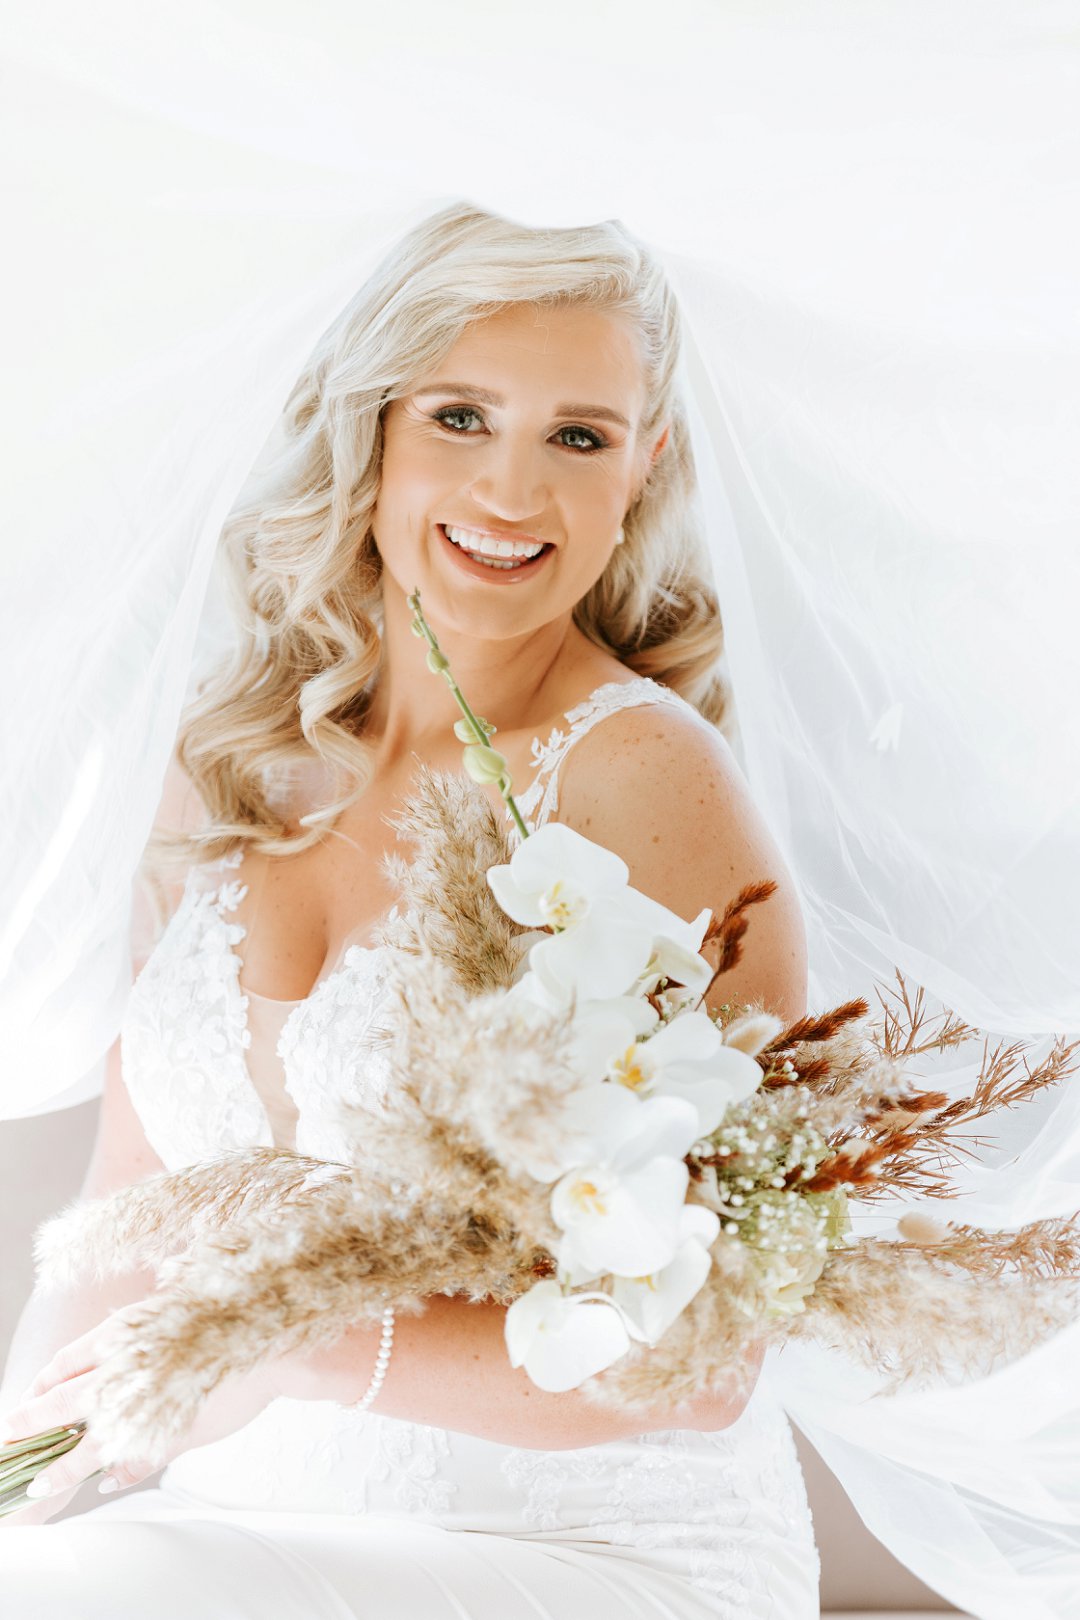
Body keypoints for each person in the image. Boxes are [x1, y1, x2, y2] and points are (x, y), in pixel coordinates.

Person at [0, 206, 822, 1618]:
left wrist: (303, 1349)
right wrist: (21, 1465)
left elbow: (714, 1355)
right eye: (459, 416)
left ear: (643, 464)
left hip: (595, 1550)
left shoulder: (645, 782)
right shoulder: (231, 764)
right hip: (245, 1533)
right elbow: (126, 1215)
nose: (513, 491)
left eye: (579, 436)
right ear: (370, 426)